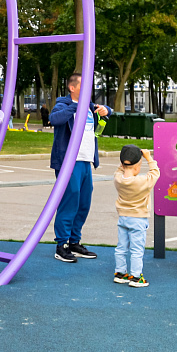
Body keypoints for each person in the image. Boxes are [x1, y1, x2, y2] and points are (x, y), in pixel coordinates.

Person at [49, 72, 110, 262]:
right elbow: (55, 118)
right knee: (70, 199)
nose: (88, 91)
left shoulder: (90, 107)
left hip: (85, 161)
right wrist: (77, 106)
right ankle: (62, 244)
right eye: (83, 87)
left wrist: (105, 110)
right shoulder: (64, 104)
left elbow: (107, 109)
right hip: (69, 162)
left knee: (83, 202)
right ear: (72, 88)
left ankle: (74, 241)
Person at [113, 145, 159, 287]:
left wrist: (125, 161)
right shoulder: (142, 181)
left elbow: (120, 170)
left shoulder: (118, 179)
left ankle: (120, 273)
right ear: (137, 167)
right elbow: (155, 172)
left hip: (123, 217)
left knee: (121, 247)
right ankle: (136, 276)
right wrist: (148, 157)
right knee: (137, 250)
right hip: (138, 219)